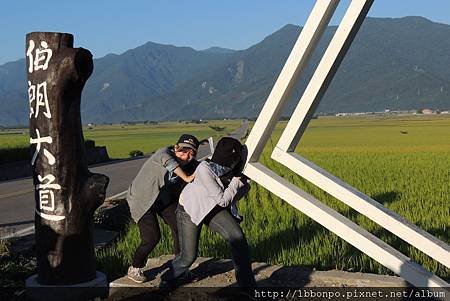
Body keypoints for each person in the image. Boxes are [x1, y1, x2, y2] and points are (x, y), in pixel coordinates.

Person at [160, 137, 256, 288]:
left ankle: (247, 285)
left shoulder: (231, 168)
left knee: (238, 238)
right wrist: (236, 181)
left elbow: (233, 195)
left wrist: (242, 185)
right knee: (188, 257)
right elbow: (223, 201)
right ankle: (168, 278)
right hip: (190, 210)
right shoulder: (205, 169)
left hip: (212, 207)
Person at [126, 134, 200, 283]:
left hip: (162, 198)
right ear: (175, 148)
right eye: (183, 152)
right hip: (142, 198)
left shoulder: (189, 163)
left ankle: (180, 267)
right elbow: (169, 162)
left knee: (181, 228)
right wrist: (186, 178)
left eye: (191, 154)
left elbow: (204, 168)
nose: (186, 157)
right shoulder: (163, 153)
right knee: (152, 237)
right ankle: (134, 268)